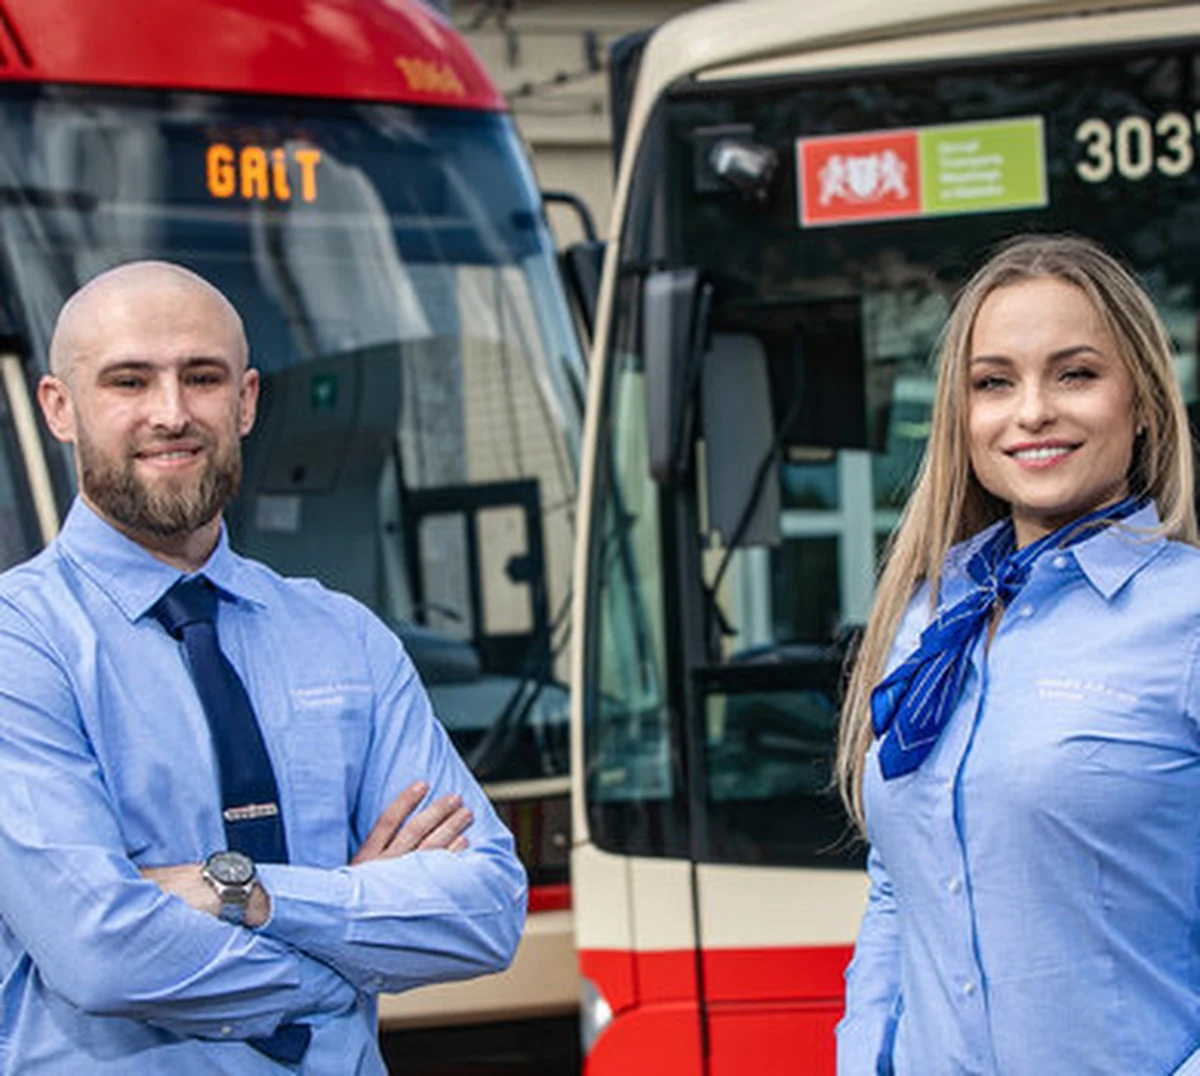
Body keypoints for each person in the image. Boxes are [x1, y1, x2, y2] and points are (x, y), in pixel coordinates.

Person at [0, 261, 527, 1072]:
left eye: (201, 378)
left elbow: (486, 911)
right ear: (59, 408)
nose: (171, 414)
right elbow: (99, 952)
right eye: (129, 382)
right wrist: (349, 951)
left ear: (245, 401)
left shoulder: (345, 636)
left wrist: (237, 888)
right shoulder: (18, 643)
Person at [834, 234, 1200, 1075]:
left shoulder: (1187, 618)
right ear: (962, 418)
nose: (1031, 411)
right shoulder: (928, 616)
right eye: (994, 382)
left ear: (1141, 399)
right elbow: (898, 885)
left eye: (1075, 374)